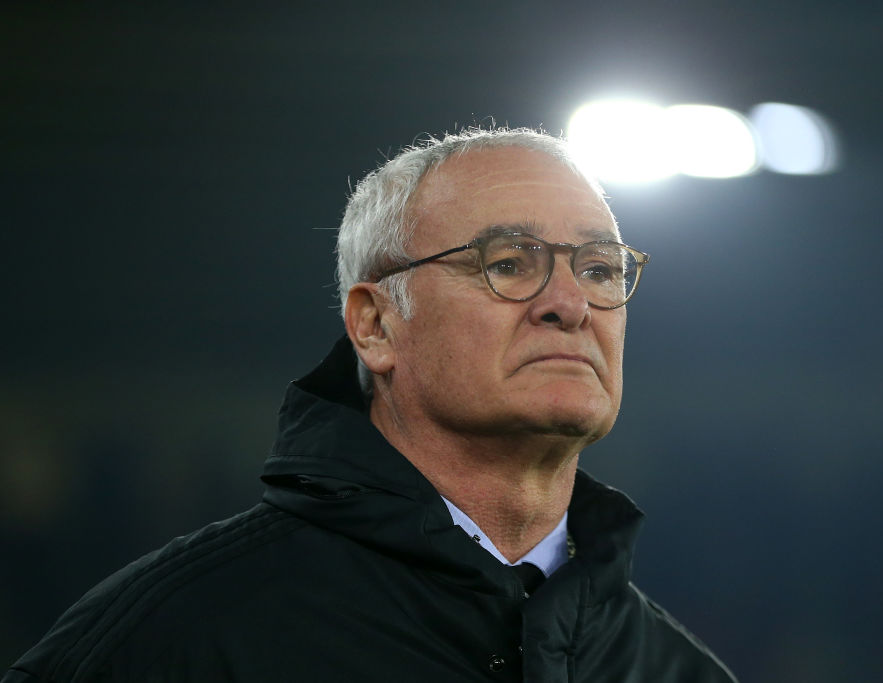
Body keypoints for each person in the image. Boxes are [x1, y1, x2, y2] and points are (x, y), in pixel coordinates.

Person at [4, 128, 736, 682]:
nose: (571, 303)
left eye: (600, 268)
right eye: (509, 263)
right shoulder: (179, 637)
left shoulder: (679, 670)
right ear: (376, 324)